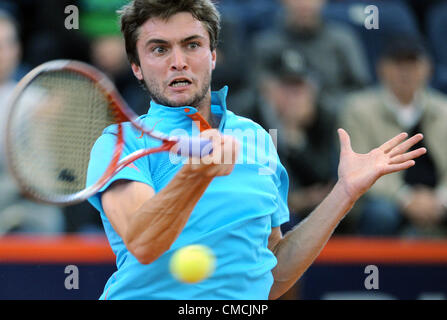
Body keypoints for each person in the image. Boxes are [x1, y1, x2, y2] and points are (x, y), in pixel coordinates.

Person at [86, 0, 426, 300]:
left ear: (213, 54)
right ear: (136, 67)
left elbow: (270, 275)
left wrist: (344, 194)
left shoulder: (257, 138)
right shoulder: (120, 142)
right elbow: (143, 242)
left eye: (192, 45)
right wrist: (195, 175)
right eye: (159, 49)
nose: (178, 61)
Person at [341, 34, 447, 237]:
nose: (405, 71)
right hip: (385, 198)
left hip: (438, 196)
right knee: (381, 214)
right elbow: (358, 168)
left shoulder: (444, 110)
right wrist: (405, 198)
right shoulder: (358, 109)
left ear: (428, 68)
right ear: (381, 68)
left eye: (412, 63)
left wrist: (441, 198)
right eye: (397, 63)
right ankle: (371, 267)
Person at [247, 45, 337, 232]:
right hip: (263, 208)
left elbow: (324, 176)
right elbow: (250, 181)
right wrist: (294, 198)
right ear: (267, 89)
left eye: (299, 87)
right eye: (286, 86)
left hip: (311, 206)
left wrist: (297, 140)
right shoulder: (247, 116)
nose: (293, 96)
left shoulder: (323, 116)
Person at [0, 10, 64, 234]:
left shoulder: (39, 104)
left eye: (9, 43)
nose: (4, 53)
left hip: (34, 228)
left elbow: (45, 182)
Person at [251, 0, 371, 113]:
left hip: (333, 121)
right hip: (278, 120)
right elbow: (255, 92)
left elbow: (361, 92)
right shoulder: (265, 44)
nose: (304, 3)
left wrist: (319, 105)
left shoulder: (342, 40)